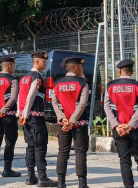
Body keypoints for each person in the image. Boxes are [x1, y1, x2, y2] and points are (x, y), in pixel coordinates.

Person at [103, 59, 138, 188]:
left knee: (125, 161)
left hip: (118, 130)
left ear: (119, 71)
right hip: (136, 129)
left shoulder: (110, 86)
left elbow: (106, 107)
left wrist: (117, 125)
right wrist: (130, 125)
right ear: (132, 72)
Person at [18, 51, 56, 187]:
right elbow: (30, 97)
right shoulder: (37, 78)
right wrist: (25, 114)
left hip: (26, 117)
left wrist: (20, 114)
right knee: (40, 146)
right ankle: (42, 178)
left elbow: (20, 97)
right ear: (38, 62)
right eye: (44, 61)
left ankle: (30, 177)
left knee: (30, 146)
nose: (46, 64)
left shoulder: (24, 78)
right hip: (35, 117)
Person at [52, 57, 89, 188]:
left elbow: (54, 102)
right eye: (82, 67)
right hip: (79, 123)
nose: (83, 69)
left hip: (63, 124)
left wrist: (62, 118)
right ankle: (82, 183)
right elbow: (82, 104)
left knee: (63, 151)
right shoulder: (82, 82)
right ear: (77, 68)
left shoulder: (57, 83)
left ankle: (61, 183)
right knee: (80, 152)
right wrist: (73, 120)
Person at [0, 56, 21, 178]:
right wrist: (3, 110)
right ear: (10, 66)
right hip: (9, 115)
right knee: (10, 141)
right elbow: (13, 97)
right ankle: (7, 169)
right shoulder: (13, 80)